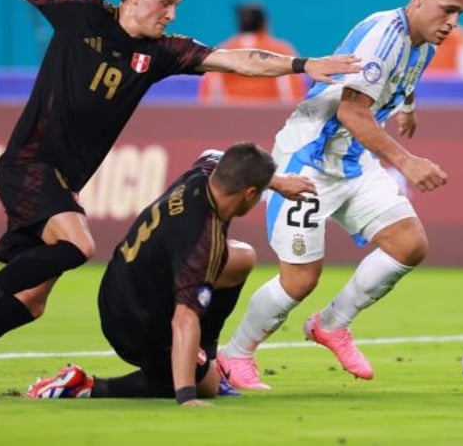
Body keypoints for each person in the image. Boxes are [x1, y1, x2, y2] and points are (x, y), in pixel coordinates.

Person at [0, 0, 359, 395]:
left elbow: (237, 60)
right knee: (78, 244)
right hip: (30, 163)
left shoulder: (161, 54)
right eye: (164, 2)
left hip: (64, 180)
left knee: (31, 301)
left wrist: (300, 65)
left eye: (175, 6)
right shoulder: (78, 11)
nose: (170, 14)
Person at [218, 0, 463, 389]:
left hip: (352, 163)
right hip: (308, 161)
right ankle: (235, 355)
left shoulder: (425, 42)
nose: (452, 22)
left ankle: (332, 324)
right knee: (300, 280)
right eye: (447, 9)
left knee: (409, 243)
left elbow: (403, 80)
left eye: (460, 14)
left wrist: (407, 109)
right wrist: (408, 162)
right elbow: (354, 113)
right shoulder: (382, 37)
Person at [23, 144, 315, 406]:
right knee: (207, 385)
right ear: (249, 193)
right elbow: (184, 318)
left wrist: (276, 183)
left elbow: (212, 153)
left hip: (118, 285)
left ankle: (206, 355)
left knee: (241, 258)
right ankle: (84, 386)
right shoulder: (202, 241)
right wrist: (187, 395)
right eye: (259, 192)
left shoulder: (202, 176)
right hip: (135, 325)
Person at [199, 3, 306, 104]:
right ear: (264, 24)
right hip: (271, 120)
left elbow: (210, 96)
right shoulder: (281, 51)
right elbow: (291, 93)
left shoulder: (222, 52)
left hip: (233, 120)